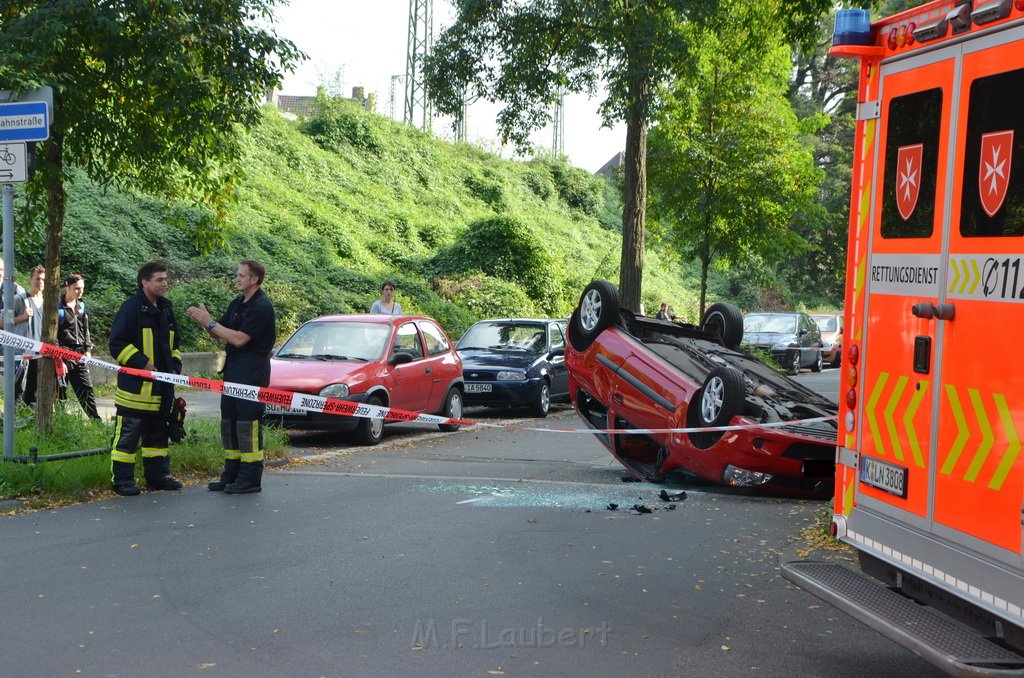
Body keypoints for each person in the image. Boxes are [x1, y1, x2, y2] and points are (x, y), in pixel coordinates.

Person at [187, 260, 276, 494]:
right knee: (230, 424)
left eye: (241, 275)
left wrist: (211, 322)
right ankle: (232, 473)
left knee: (248, 425)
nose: (236, 279)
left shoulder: (261, 307)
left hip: (252, 374)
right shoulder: (238, 303)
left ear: (254, 279)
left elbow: (239, 339)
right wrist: (206, 322)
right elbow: (221, 333)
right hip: (233, 371)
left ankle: (251, 477)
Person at [107, 261, 184, 496]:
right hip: (136, 390)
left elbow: (175, 344)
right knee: (128, 438)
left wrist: (175, 365)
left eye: (165, 279)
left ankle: (158, 477)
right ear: (145, 282)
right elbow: (117, 344)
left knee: (158, 437)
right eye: (159, 279)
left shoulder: (166, 308)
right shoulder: (131, 309)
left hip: (162, 390)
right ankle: (122, 481)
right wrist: (143, 364)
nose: (165, 283)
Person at [56, 274, 100, 420]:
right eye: (76, 289)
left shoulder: (81, 306)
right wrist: (59, 360)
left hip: (80, 355)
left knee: (86, 390)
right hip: (63, 354)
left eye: (82, 289)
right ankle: (60, 422)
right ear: (67, 288)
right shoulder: (58, 308)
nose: (80, 292)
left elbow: (85, 330)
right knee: (60, 392)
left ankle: (96, 422)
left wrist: (88, 350)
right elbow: (52, 335)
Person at [12, 265, 45, 405]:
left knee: (33, 393)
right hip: (22, 353)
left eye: (43, 279)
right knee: (17, 391)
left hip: (41, 353)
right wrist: (22, 317)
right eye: (37, 279)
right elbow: (3, 321)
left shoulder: (49, 303)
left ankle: (30, 422)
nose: (40, 282)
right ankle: (12, 422)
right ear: (30, 279)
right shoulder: (19, 299)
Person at [0, 258, 25, 330]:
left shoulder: (15, 289)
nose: (0, 273)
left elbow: (24, 313)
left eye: (1, 270)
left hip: (9, 334)